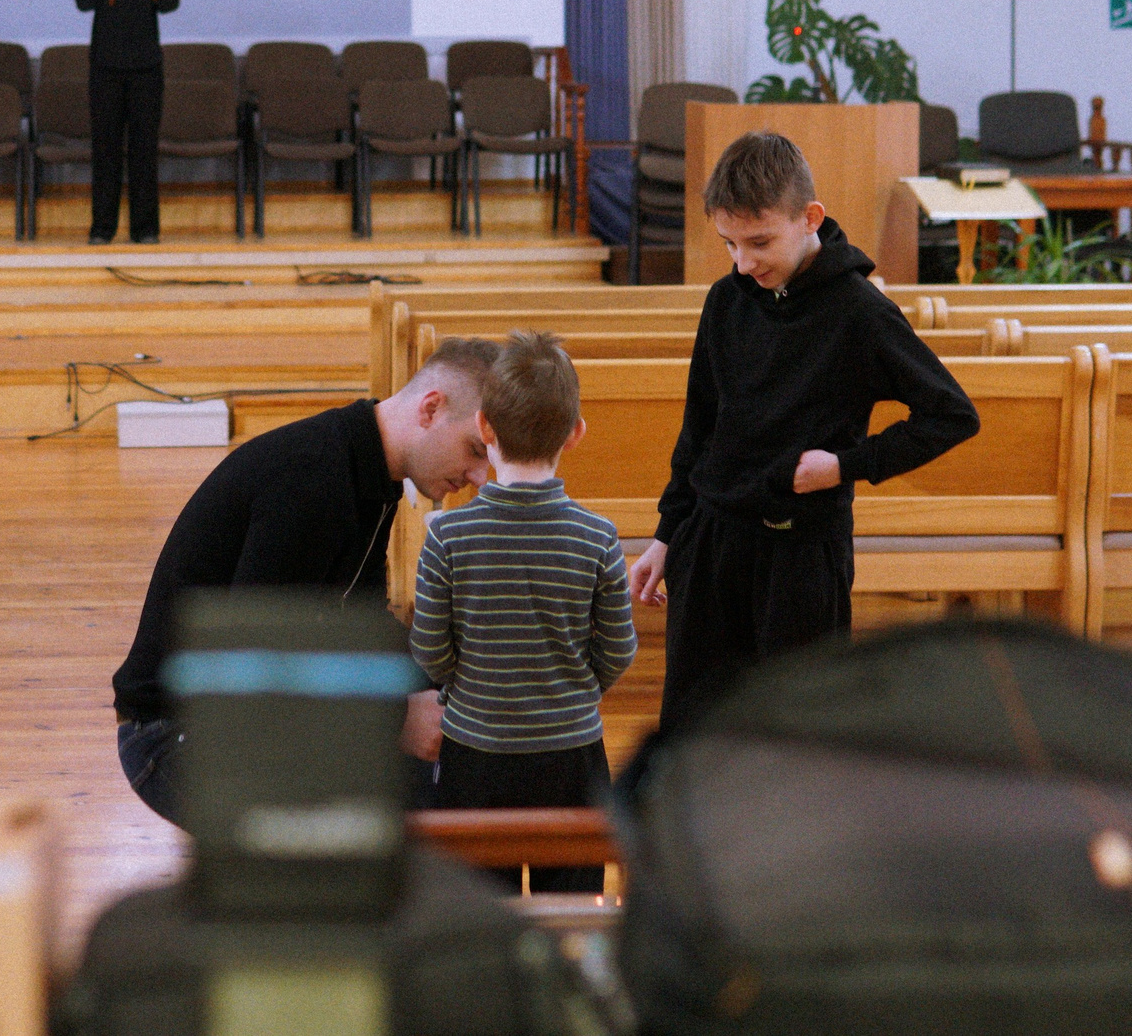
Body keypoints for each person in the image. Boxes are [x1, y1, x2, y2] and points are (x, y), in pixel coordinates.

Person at [628, 130, 980, 731]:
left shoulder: (860, 312)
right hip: (709, 541)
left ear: (810, 217)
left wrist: (847, 465)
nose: (744, 263)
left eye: (759, 242)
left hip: (799, 555)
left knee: (800, 732)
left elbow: (952, 415)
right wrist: (667, 534)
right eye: (729, 244)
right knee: (696, 730)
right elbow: (700, 429)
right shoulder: (726, 300)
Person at [111, 337, 501, 823]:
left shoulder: (368, 473)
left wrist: (459, 675)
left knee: (468, 786)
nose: (483, 476)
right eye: (474, 449)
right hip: (179, 734)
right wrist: (397, 719)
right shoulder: (313, 479)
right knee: (430, 812)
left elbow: (357, 625)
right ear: (431, 408)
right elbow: (253, 665)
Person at [409, 331, 634, 894]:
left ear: (484, 428)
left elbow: (430, 650)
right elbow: (617, 650)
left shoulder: (447, 537)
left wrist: (468, 686)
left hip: (474, 751)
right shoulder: (598, 537)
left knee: (480, 904)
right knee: (575, 901)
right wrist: (574, 690)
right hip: (571, 751)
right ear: (576, 433)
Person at [73, 0, 178, 244]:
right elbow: (83, 2)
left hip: (146, 74)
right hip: (105, 74)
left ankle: (145, 230)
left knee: (143, 152)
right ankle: (102, 229)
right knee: (106, 152)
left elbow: (170, 4)